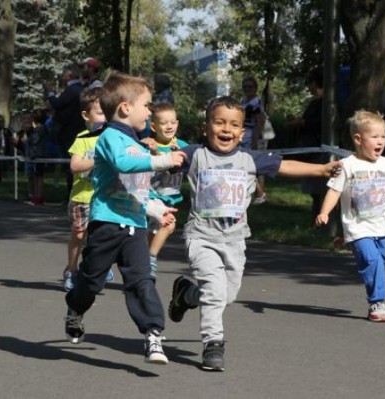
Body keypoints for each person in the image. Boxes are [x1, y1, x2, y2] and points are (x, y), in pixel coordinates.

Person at [166, 96, 342, 372]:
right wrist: (152, 148)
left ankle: (186, 294)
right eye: (219, 122)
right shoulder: (195, 154)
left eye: (234, 125)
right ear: (205, 127)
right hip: (201, 237)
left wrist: (320, 169)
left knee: (227, 295)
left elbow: (285, 166)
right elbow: (165, 156)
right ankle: (213, 344)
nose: (226, 129)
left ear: (242, 132)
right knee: (214, 291)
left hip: (234, 240)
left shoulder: (249, 158)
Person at [64, 73, 186, 365]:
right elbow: (123, 164)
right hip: (106, 223)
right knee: (91, 283)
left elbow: (138, 188)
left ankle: (153, 334)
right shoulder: (109, 138)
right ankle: (75, 308)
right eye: (146, 105)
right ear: (125, 108)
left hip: (134, 226)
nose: (150, 111)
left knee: (142, 281)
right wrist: (164, 160)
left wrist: (157, 209)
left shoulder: (139, 144)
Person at [316, 110, 385, 322]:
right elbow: (334, 191)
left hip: (381, 226)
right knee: (373, 262)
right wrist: (324, 212)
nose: (380, 141)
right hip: (358, 227)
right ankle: (377, 304)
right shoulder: (348, 165)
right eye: (375, 137)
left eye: (383, 137)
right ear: (358, 139)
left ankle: (350, 243)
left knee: (380, 261)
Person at [63, 87, 114, 291]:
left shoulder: (112, 137)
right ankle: (72, 270)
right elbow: (75, 166)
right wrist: (96, 159)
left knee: (102, 237)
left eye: (108, 113)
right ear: (86, 115)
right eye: (100, 113)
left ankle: (98, 269)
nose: (105, 118)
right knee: (79, 234)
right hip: (82, 197)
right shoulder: (83, 138)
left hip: (105, 198)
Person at [147, 102, 188, 278]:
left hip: (169, 198)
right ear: (153, 126)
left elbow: (189, 167)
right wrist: (154, 153)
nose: (169, 126)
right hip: (151, 195)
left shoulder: (183, 145)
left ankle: (141, 267)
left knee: (151, 235)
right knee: (169, 225)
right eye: (164, 123)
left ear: (177, 124)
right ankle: (150, 259)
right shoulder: (149, 145)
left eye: (172, 122)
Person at [285, 66, 327, 222]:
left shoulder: (325, 103)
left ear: (315, 83)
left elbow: (319, 124)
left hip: (318, 152)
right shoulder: (315, 102)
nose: (308, 87)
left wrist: (301, 122)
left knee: (319, 188)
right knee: (315, 190)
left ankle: (319, 220)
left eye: (309, 83)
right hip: (311, 151)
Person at [45, 63, 86, 196]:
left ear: (69, 75)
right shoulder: (80, 89)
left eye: (64, 74)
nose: (62, 76)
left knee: (69, 165)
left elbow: (58, 104)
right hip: (76, 129)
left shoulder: (72, 90)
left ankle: (71, 193)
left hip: (70, 131)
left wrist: (50, 92)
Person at [240, 76, 268, 204]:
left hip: (252, 136)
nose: (247, 89)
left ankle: (260, 193)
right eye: (245, 87)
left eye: (250, 86)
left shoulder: (256, 102)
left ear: (255, 88)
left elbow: (260, 122)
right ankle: (255, 192)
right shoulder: (244, 102)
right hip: (243, 135)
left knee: (253, 166)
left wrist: (254, 141)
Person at [19, 109, 49, 205]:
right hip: (31, 156)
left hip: (38, 156)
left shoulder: (40, 129)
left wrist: (29, 133)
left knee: (38, 177)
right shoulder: (34, 129)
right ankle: (33, 196)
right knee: (33, 177)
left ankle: (38, 197)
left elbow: (34, 141)